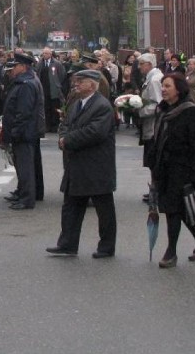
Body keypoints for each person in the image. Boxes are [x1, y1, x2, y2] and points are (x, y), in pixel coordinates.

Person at [46, 69, 117, 258]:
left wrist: (67, 140)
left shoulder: (102, 106)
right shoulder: (78, 104)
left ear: (92, 85)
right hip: (77, 165)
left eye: (81, 81)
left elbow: (95, 132)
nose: (76, 84)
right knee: (71, 207)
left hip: (96, 166)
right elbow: (65, 125)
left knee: (104, 210)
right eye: (76, 81)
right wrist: (62, 138)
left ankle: (106, 247)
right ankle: (67, 244)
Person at [149, 73, 195, 267]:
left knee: (172, 210)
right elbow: (157, 139)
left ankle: (171, 252)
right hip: (164, 167)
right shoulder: (163, 109)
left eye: (167, 86)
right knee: (182, 210)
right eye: (162, 86)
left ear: (179, 88)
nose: (164, 89)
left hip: (182, 168)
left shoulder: (189, 111)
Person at [2, 52, 42, 210]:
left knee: (25, 167)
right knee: (22, 166)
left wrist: (15, 132)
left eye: (15, 66)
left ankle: (26, 198)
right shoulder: (22, 82)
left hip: (24, 133)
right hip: (23, 132)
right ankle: (23, 194)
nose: (12, 70)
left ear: (23, 67)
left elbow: (23, 112)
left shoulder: (26, 85)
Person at [37, 47, 66, 133]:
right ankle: (47, 125)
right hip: (43, 90)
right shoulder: (40, 63)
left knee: (54, 109)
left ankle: (55, 126)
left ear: (50, 54)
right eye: (43, 53)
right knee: (46, 109)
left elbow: (61, 75)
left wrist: (57, 85)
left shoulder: (57, 64)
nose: (44, 55)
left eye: (46, 53)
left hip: (54, 91)